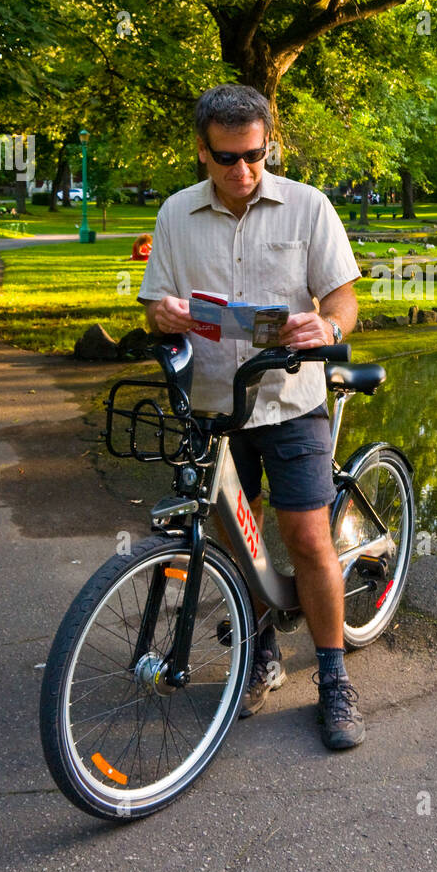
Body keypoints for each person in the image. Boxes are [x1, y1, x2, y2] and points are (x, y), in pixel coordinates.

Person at [137, 84, 365, 750]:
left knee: (305, 537)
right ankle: (260, 652)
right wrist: (165, 313)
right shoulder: (176, 215)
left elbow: (345, 300)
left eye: (255, 156)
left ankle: (331, 676)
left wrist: (324, 325)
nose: (242, 172)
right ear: (201, 152)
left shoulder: (308, 207)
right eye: (226, 158)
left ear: (270, 145)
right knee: (239, 544)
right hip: (212, 407)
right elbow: (155, 306)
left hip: (290, 402)